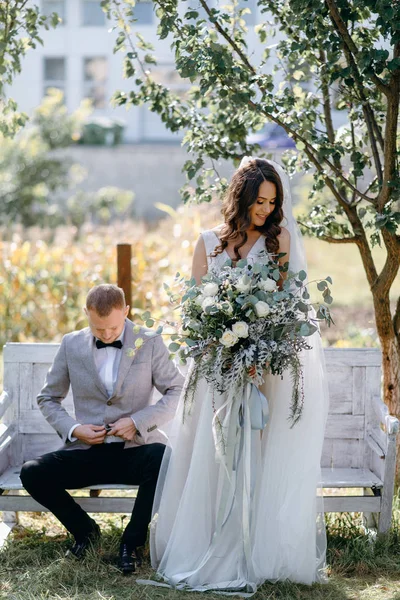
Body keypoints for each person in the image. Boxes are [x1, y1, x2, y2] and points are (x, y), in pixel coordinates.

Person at [147, 158, 329, 595]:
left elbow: (286, 307)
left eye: (272, 201)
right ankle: (207, 542)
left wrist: (257, 356)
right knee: (210, 454)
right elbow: (193, 312)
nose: (265, 209)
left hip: (261, 369)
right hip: (214, 371)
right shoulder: (208, 242)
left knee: (252, 452)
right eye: (258, 201)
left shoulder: (279, 240)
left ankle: (251, 548)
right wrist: (219, 350)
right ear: (241, 197)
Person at [20, 284, 184, 574]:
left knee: (163, 459)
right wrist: (74, 429)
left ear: (127, 312)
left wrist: (137, 422)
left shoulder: (150, 340)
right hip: (87, 451)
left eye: (113, 328)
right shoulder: (71, 344)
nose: (107, 335)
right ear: (86, 314)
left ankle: (131, 543)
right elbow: (47, 397)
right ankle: (85, 532)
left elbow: (176, 390)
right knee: (32, 471)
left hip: (134, 450)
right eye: (98, 330)